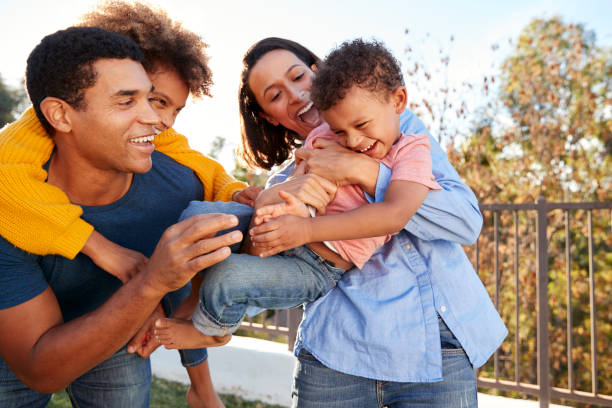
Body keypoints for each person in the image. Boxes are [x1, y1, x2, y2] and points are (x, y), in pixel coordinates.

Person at [0, 3, 256, 406]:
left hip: (113, 318)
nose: (159, 120)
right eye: (131, 100)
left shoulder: (171, 171)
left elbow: (201, 169)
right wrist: (122, 262)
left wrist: (193, 313)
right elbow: (39, 369)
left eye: (162, 105)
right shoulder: (14, 168)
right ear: (60, 115)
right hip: (12, 336)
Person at [237, 37, 507, 407]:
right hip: (334, 357)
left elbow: (464, 223)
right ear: (270, 115)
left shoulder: (405, 135)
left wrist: (364, 171)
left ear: (317, 72)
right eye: (275, 95)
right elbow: (273, 272)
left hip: (434, 351)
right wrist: (268, 212)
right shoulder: (285, 183)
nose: (297, 95)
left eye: (298, 76)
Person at [152, 39, 442, 347]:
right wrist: (280, 202)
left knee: (228, 276)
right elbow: (296, 182)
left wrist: (305, 227)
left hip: (317, 265)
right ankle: (173, 293)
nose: (353, 140)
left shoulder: (412, 149)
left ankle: (213, 331)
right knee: (199, 216)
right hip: (287, 230)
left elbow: (395, 215)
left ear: (398, 100)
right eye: (341, 130)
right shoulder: (324, 134)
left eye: (360, 125)